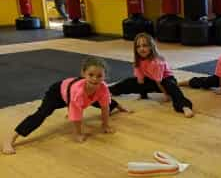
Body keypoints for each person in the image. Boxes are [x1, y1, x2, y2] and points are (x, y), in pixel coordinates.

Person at [2, 56, 130, 155]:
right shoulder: (78, 92)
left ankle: (119, 106)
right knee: (42, 113)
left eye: (99, 76)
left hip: (75, 94)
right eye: (91, 75)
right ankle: (10, 139)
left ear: (104, 76)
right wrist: (78, 134)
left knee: (104, 101)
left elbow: (105, 106)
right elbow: (76, 115)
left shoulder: (103, 88)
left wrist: (105, 125)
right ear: (83, 74)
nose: (95, 79)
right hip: (57, 92)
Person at [109, 33, 194, 118]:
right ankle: (110, 90)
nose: (141, 49)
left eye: (145, 45)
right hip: (151, 80)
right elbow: (140, 80)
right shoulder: (138, 61)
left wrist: (166, 95)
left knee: (173, 87)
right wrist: (143, 93)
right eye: (138, 47)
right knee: (129, 82)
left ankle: (184, 106)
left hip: (164, 81)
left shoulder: (157, 62)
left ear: (151, 47)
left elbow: (158, 81)